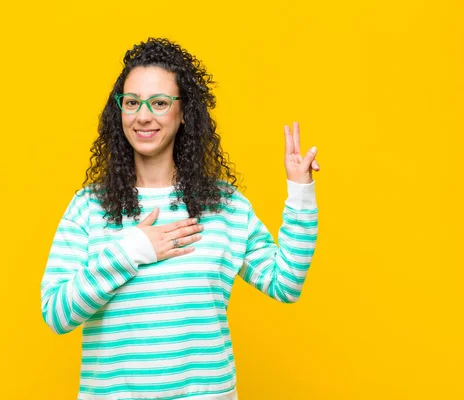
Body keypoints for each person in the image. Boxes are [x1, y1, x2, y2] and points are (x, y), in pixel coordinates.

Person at [40, 37, 320, 400]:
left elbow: (285, 284)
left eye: (159, 103)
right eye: (132, 103)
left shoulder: (225, 206)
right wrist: (133, 250)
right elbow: (56, 313)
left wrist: (300, 193)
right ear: (119, 111)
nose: (143, 116)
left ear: (184, 112)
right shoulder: (88, 207)